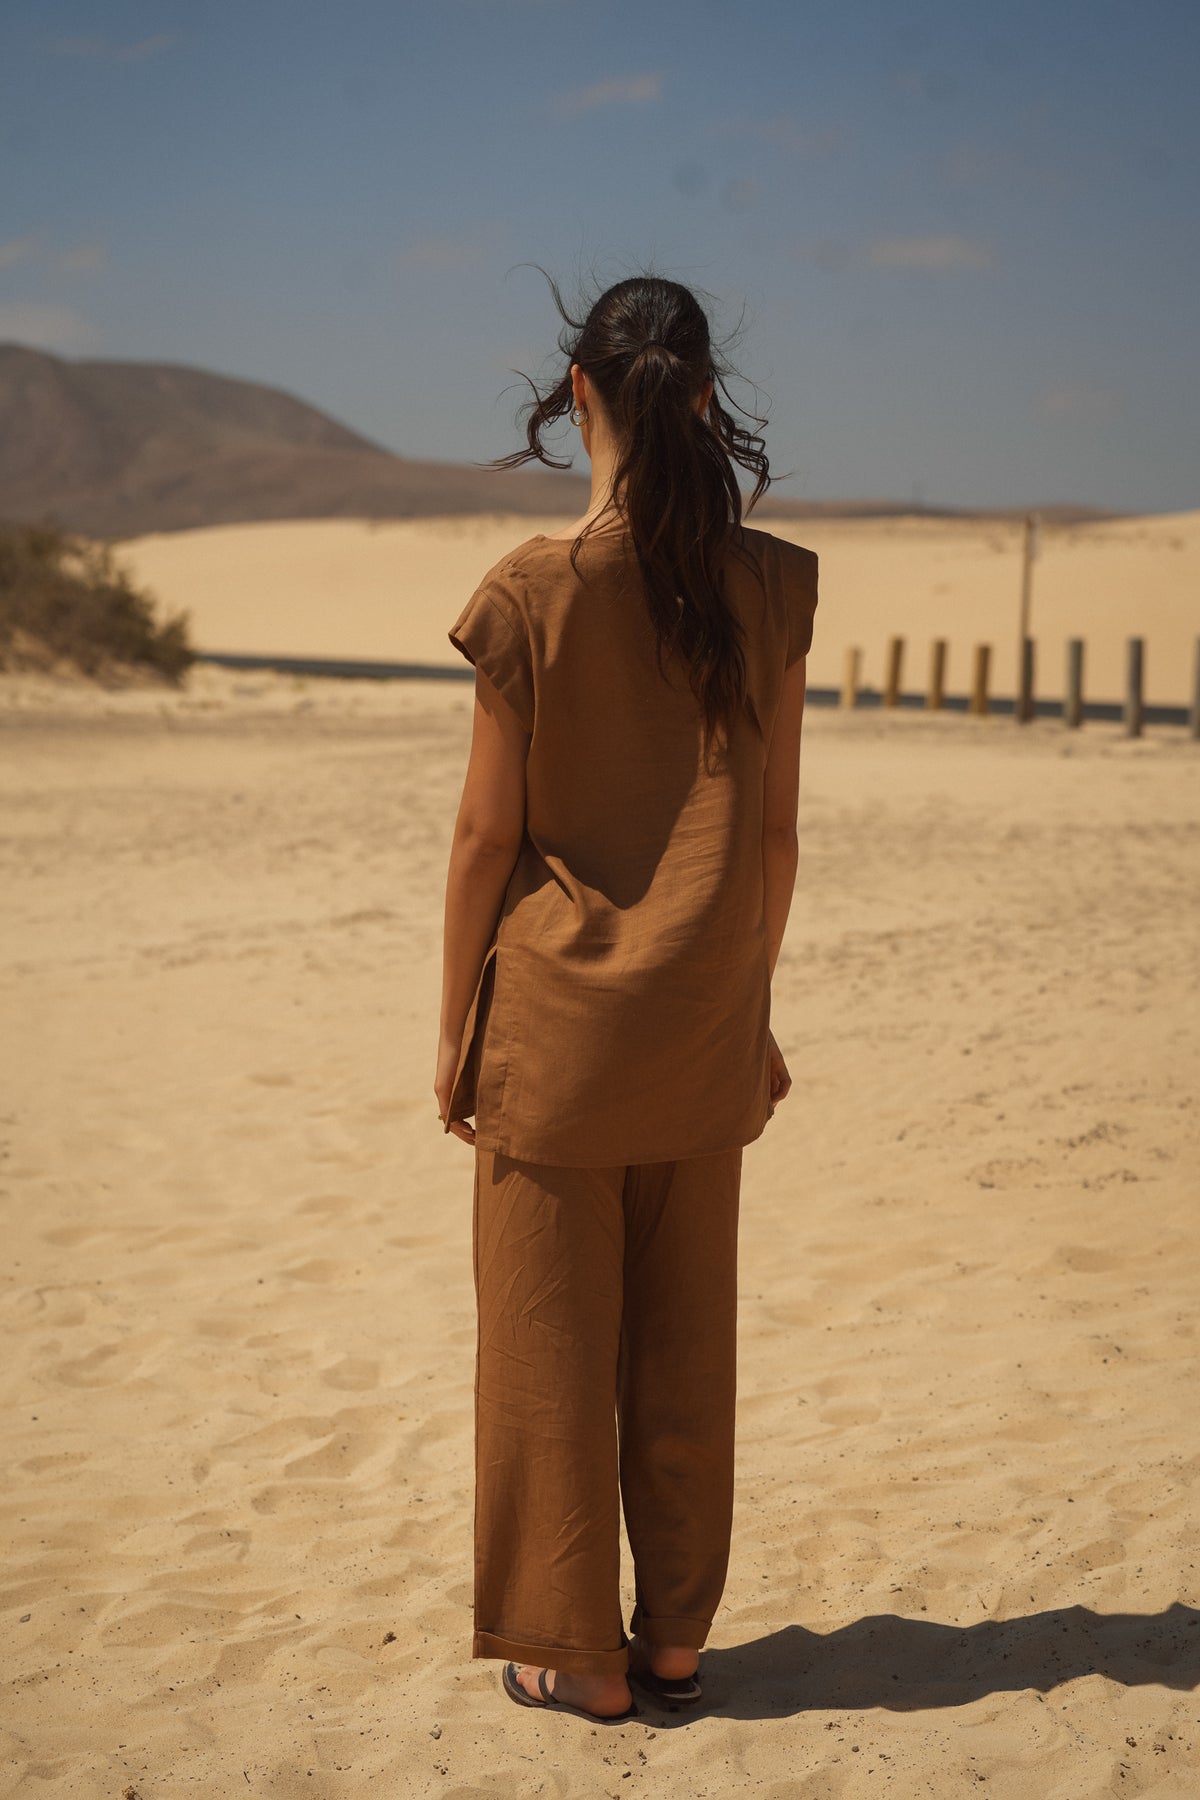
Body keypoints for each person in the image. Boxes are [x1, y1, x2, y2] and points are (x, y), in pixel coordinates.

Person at [434, 271, 817, 1725]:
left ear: (578, 394)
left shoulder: (533, 590)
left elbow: (485, 840)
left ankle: (578, 1660)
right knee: (683, 1345)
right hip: (705, 1022)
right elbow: (774, 838)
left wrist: (454, 1026)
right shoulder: (772, 586)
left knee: (547, 1343)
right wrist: (745, 1004)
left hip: (554, 1025)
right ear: (707, 403)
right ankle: (671, 1646)